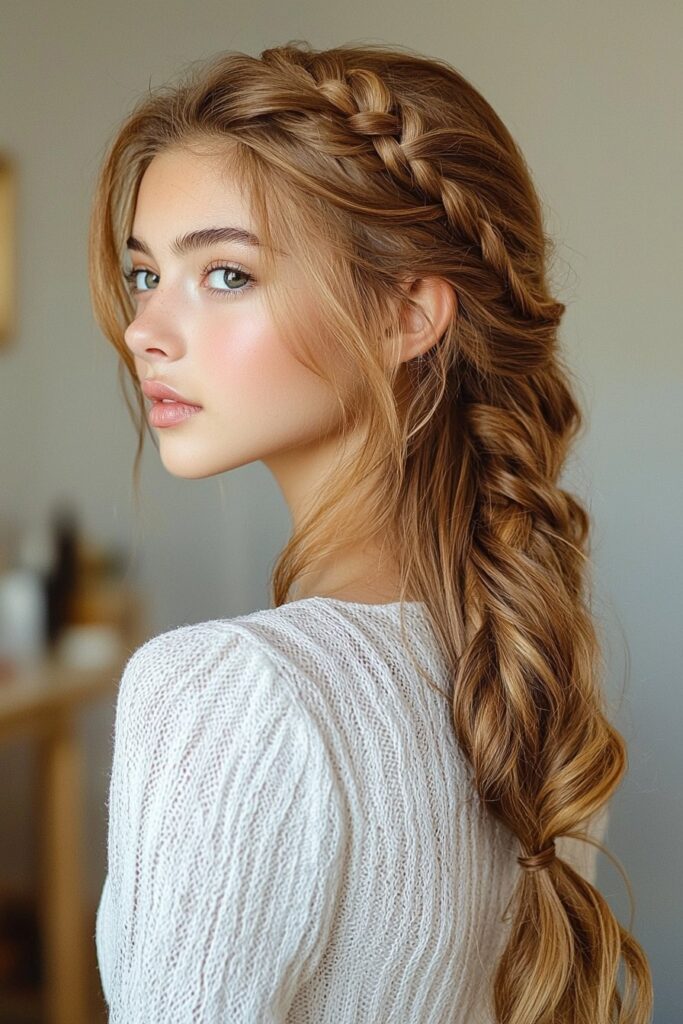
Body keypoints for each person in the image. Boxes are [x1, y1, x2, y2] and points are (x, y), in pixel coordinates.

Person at [87, 40, 653, 1023]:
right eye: (144, 276)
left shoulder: (227, 696)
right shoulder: (538, 656)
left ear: (407, 313)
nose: (146, 329)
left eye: (224, 275)